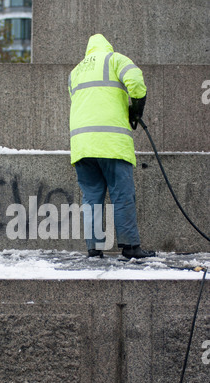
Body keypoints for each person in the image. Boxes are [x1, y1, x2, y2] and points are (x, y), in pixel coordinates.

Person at [68, 33, 155, 259]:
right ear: (107, 47)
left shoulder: (75, 72)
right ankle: (130, 247)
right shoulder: (115, 59)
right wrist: (136, 109)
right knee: (122, 194)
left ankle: (94, 247)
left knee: (91, 197)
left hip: (82, 146)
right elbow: (136, 81)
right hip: (111, 143)